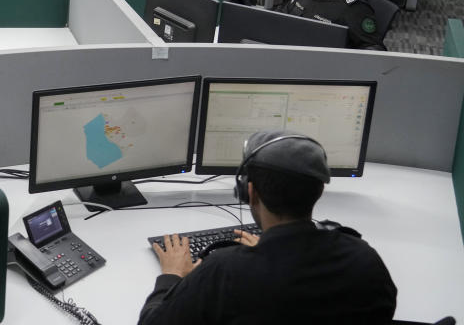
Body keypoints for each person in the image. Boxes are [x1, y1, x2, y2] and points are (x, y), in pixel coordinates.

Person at [139, 129, 397, 324]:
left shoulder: (225, 272)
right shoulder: (364, 259)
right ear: (319, 191)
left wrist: (170, 276)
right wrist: (276, 255)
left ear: (249, 192)